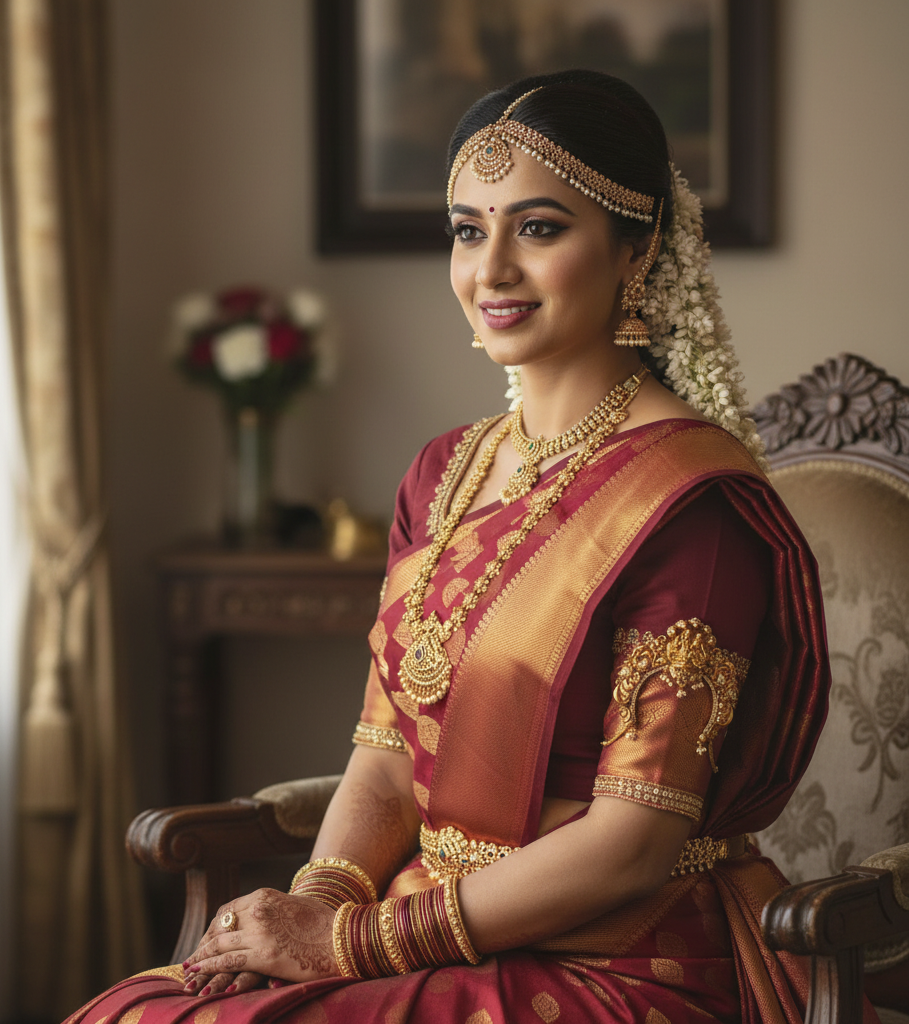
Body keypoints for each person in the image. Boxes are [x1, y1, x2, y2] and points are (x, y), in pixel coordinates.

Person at [66, 70, 864, 1024]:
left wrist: (349, 944)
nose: (490, 271)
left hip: (615, 959)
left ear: (637, 249)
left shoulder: (689, 505)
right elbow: (388, 753)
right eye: (467, 229)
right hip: (425, 925)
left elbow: (634, 844)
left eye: (538, 227)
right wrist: (318, 908)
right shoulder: (443, 473)